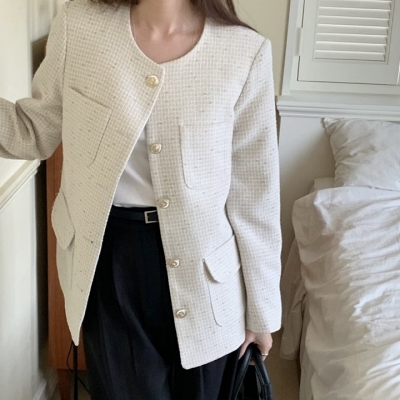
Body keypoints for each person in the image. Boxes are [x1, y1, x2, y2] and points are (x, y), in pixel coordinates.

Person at [0, 0, 282, 398]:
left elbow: (255, 195)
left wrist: (262, 312)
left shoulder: (243, 51)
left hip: (208, 278)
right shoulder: (79, 27)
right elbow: (34, 131)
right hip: (110, 261)